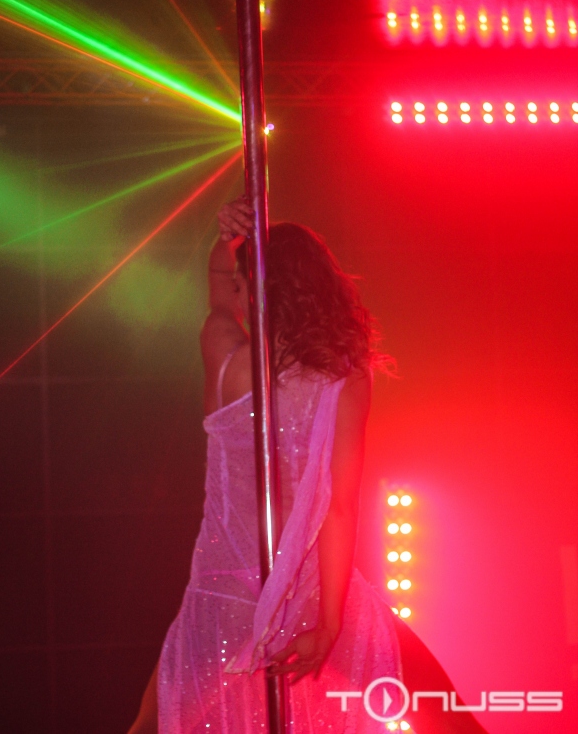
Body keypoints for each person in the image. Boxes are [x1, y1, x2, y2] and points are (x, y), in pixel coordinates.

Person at [129, 199, 490, 734]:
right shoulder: (344, 379)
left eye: (243, 285)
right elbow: (340, 507)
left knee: (152, 725)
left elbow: (218, 292)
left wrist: (226, 241)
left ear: (256, 293)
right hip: (309, 589)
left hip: (223, 596)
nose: (236, 295)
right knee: (443, 712)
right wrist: (331, 623)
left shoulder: (223, 355)